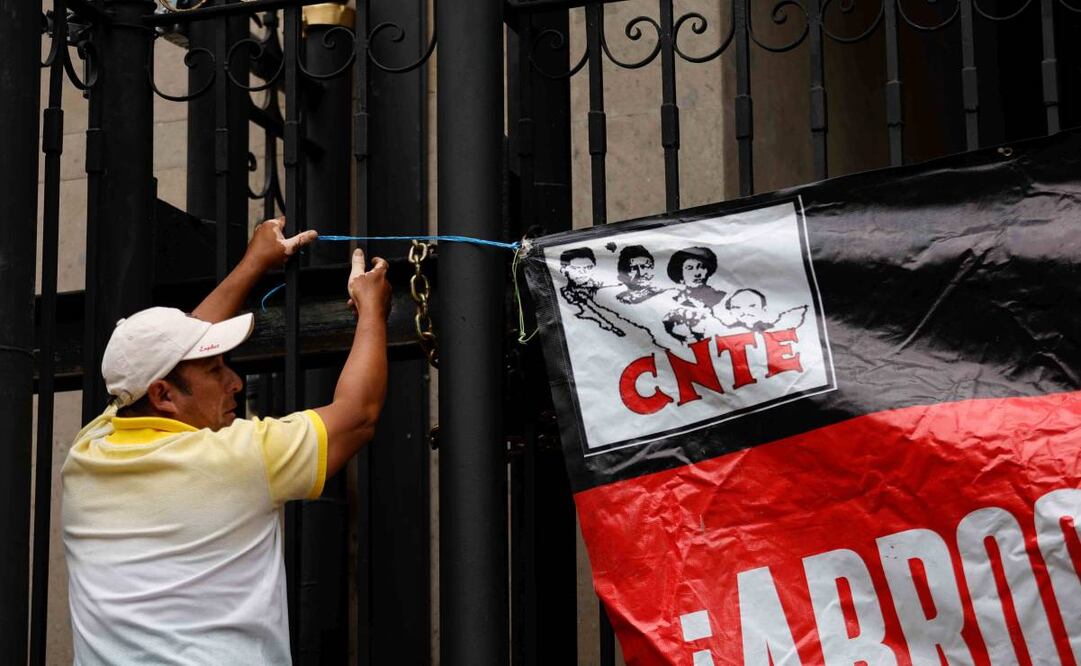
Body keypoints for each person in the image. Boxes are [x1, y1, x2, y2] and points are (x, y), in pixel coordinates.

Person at [61, 217, 391, 665]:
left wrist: (256, 261)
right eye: (216, 371)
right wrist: (372, 312)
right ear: (163, 396)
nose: (235, 382)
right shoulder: (233, 459)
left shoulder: (89, 452)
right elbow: (358, 416)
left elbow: (177, 348)